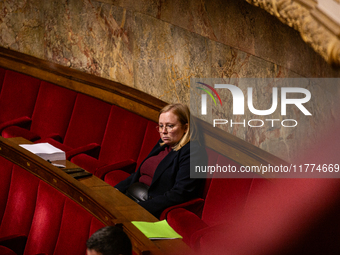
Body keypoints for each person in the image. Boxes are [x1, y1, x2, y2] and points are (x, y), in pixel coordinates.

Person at [115, 103, 207, 218]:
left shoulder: (193, 151)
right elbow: (138, 174)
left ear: (186, 128)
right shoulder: (163, 143)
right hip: (130, 196)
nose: (163, 131)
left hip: (149, 207)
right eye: (160, 126)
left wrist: (138, 209)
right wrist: (115, 190)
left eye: (170, 126)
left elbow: (180, 193)